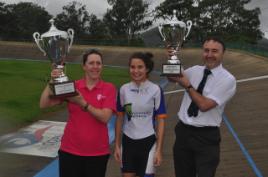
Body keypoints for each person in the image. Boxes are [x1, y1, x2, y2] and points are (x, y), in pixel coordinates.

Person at [39, 49, 117, 177]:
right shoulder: (73, 86)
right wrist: (52, 81)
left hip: (97, 154)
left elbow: (105, 117)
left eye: (98, 63)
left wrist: (82, 102)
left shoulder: (109, 88)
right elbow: (44, 104)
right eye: (91, 63)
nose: (95, 66)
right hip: (70, 151)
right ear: (84, 66)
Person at [168, 37, 236, 177]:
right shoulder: (194, 70)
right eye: (206, 50)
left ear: (223, 53)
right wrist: (173, 57)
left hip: (206, 137)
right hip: (183, 132)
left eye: (214, 51)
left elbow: (204, 105)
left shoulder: (228, 80)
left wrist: (187, 85)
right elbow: (172, 77)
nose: (209, 55)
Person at [114, 52, 167, 177]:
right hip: (128, 143)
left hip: (148, 143)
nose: (136, 71)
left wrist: (159, 149)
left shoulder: (155, 90)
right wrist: (117, 145)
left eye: (140, 67)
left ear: (147, 69)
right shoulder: (123, 90)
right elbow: (120, 118)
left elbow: (161, 121)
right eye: (132, 67)